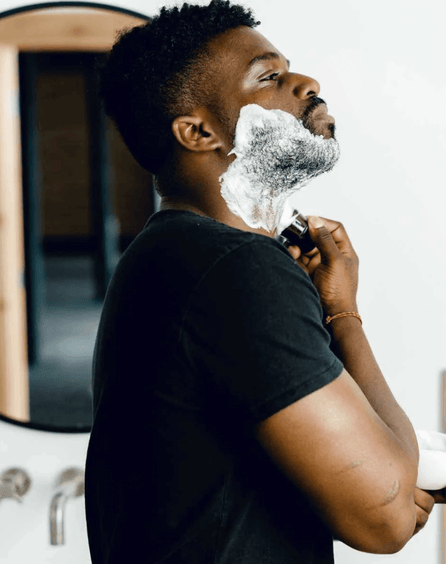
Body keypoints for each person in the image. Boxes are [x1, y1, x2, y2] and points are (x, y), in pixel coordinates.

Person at [84, 1, 439, 562]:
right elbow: (389, 518)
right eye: (269, 77)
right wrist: (344, 316)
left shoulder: (166, 254)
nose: (307, 83)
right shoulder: (236, 268)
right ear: (198, 131)